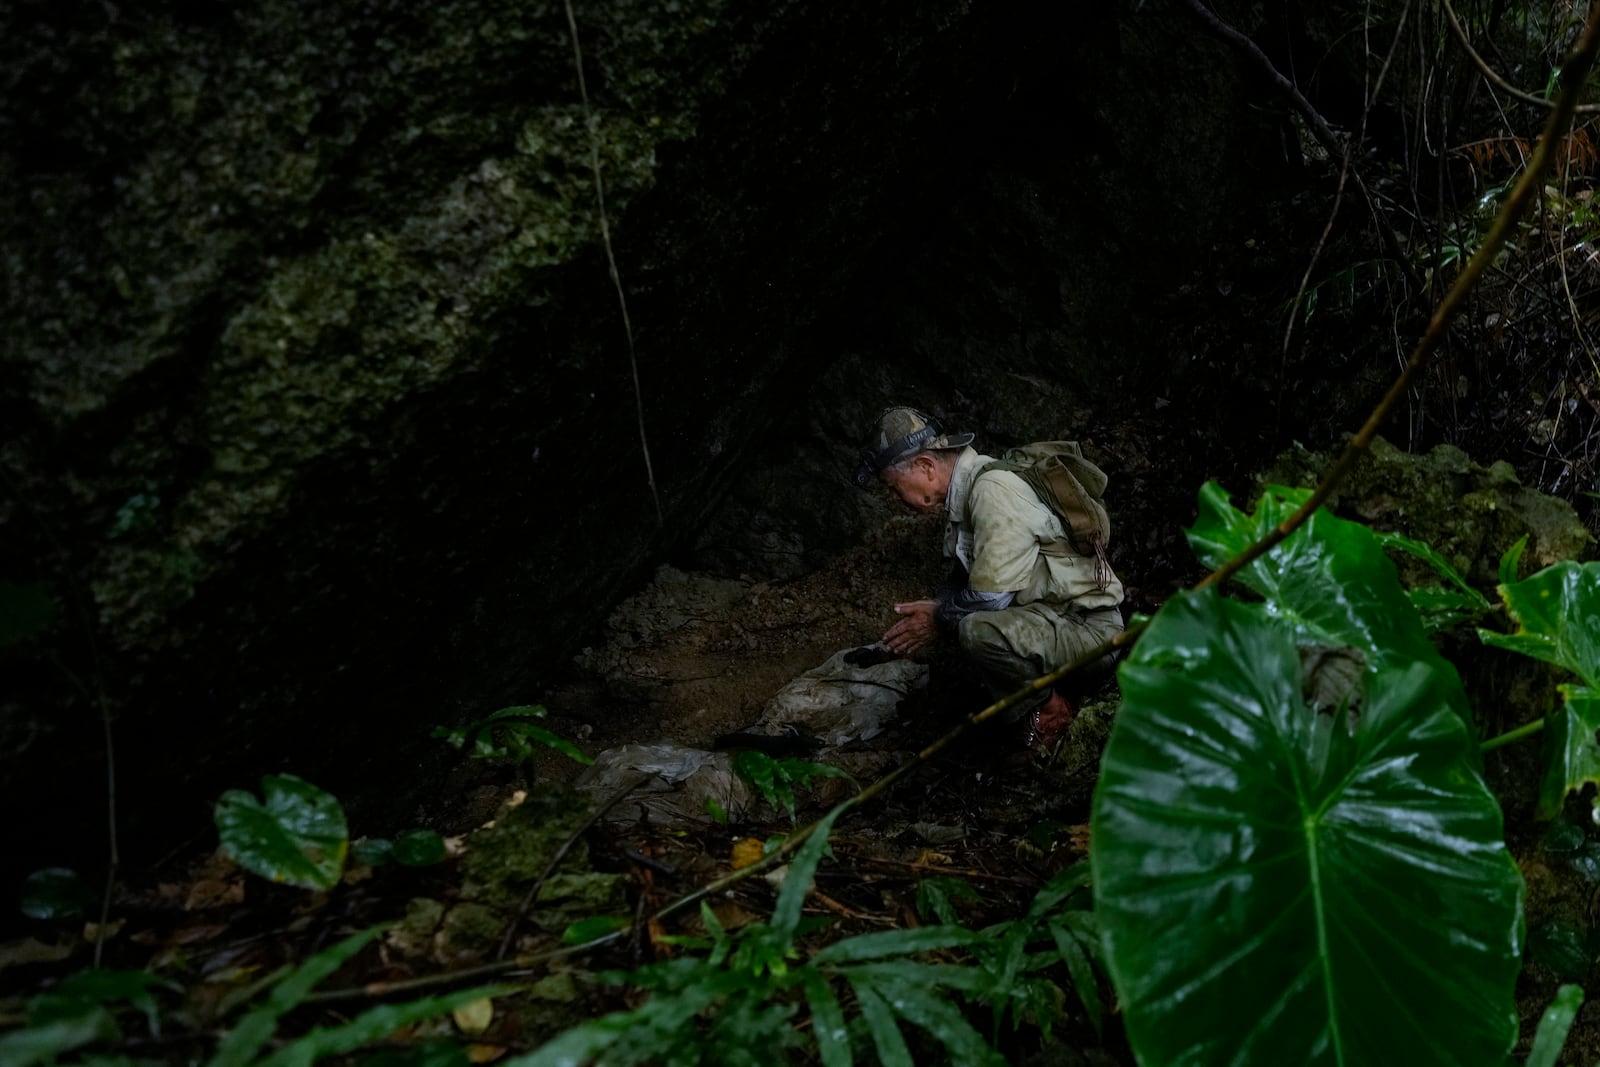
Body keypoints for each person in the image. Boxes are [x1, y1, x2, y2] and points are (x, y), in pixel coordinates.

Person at [855, 406, 1125, 756]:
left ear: (925, 467)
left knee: (975, 630)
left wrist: (937, 618)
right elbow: (967, 580)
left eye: (894, 489)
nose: (895, 500)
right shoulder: (968, 497)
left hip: (1090, 633)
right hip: (1055, 622)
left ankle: (1048, 708)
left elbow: (988, 600)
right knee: (963, 622)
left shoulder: (992, 491)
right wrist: (938, 608)